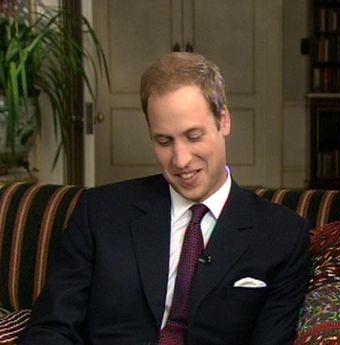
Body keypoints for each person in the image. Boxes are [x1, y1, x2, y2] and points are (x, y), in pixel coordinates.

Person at [19, 52, 311, 345]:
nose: (181, 160)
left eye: (194, 136)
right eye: (164, 141)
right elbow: (51, 328)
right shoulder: (100, 212)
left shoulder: (282, 235)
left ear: (223, 121)